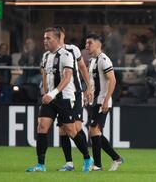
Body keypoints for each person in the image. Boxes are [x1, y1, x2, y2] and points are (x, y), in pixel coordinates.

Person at [26, 27, 93, 172]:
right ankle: (40, 165)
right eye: (44, 38)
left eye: (48, 38)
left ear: (57, 39)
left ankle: (87, 158)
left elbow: (68, 77)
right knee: (41, 127)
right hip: (49, 98)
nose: (45, 40)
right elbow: (45, 76)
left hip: (65, 98)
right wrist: (45, 92)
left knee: (70, 130)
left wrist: (54, 92)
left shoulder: (67, 55)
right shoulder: (45, 56)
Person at [52, 26, 93, 172]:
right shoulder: (50, 54)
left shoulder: (73, 49)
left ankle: (87, 158)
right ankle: (69, 163)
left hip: (75, 94)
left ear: (62, 35)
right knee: (63, 130)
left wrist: (89, 87)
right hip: (60, 96)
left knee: (75, 128)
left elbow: (82, 68)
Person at [85, 34, 123, 171]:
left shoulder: (104, 60)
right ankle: (116, 158)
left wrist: (106, 101)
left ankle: (98, 165)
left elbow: (112, 80)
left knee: (94, 130)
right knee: (95, 132)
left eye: (89, 43)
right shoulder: (92, 61)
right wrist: (87, 93)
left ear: (98, 44)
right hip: (95, 101)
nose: (86, 46)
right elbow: (92, 82)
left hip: (102, 101)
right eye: (86, 43)